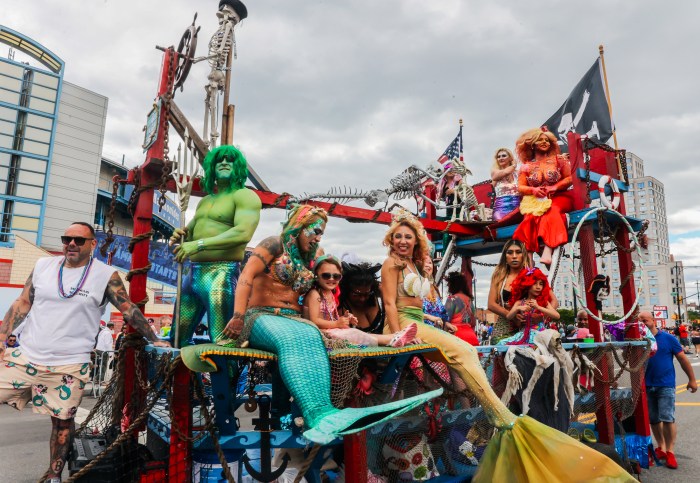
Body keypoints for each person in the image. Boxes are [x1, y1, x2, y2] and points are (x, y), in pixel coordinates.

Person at [379, 210, 634, 482]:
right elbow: (391, 304)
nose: (403, 241)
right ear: (391, 240)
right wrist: (399, 336)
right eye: (398, 236)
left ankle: (498, 414)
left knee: (470, 353)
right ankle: (497, 414)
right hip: (406, 325)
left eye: (409, 236)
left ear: (416, 240)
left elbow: (553, 308)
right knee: (467, 356)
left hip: (423, 323)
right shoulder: (391, 264)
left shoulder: (413, 266)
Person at [221, 205, 440, 444]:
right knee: (294, 337)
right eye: (314, 230)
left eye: (321, 233)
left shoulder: (312, 255)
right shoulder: (274, 244)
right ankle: (318, 414)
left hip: (294, 320)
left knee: (313, 336)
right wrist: (238, 315)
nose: (317, 237)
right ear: (299, 226)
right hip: (261, 316)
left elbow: (331, 274)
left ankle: (326, 412)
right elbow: (245, 277)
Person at [0, 222, 171, 483]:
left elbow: (127, 309)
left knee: (62, 423)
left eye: (79, 240)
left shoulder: (105, 275)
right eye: (66, 238)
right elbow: (23, 302)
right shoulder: (43, 267)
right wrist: (2, 337)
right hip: (26, 356)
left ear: (93, 244)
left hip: (69, 365)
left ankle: (54, 476)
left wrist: (154, 337)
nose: (71, 243)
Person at [169, 144, 262, 347]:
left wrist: (199, 245)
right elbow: (191, 233)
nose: (225, 163)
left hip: (221, 273)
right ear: (212, 166)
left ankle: (231, 379)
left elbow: (243, 232)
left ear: (238, 166)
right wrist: (181, 235)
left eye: (230, 159)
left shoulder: (244, 196)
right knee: (177, 338)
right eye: (220, 160)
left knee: (223, 342)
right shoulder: (205, 201)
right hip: (193, 273)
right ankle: (193, 380)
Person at [303, 254, 417, 347]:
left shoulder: (330, 294)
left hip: (331, 332)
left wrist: (347, 319)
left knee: (355, 333)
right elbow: (314, 320)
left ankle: (395, 338)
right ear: (316, 275)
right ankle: (391, 339)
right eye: (326, 275)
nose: (331, 279)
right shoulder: (315, 294)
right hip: (321, 334)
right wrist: (337, 323)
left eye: (336, 276)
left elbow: (331, 317)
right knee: (355, 334)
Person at [641, 311, 697, 469]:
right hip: (646, 385)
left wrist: (692, 380)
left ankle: (670, 451)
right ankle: (661, 447)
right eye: (640, 322)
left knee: (667, 418)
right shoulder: (639, 341)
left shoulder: (668, 338)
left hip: (665, 384)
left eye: (645, 320)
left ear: (653, 320)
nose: (643, 324)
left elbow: (682, 359)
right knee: (653, 419)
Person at [512, 127, 574, 265]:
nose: (545, 142)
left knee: (552, 212)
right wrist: (533, 190)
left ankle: (548, 249)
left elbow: (570, 178)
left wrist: (555, 186)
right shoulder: (526, 166)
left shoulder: (559, 160)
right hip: (537, 201)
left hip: (560, 197)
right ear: (532, 144)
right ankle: (528, 256)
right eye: (540, 139)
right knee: (528, 219)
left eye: (547, 140)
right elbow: (520, 187)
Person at [497, 267, 559, 345]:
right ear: (527, 285)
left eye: (541, 284)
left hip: (539, 335)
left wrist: (539, 307)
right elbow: (509, 317)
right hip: (523, 334)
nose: (538, 287)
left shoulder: (543, 302)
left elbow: (557, 316)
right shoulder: (519, 302)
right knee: (501, 343)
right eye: (534, 283)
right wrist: (517, 308)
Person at [338, 260, 385, 334]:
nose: (362, 299)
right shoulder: (341, 306)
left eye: (366, 294)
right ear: (347, 290)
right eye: (356, 295)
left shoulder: (380, 294)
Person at [444, 271, 479, 345]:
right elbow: (473, 322)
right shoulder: (470, 300)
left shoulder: (452, 299)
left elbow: (445, 320)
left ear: (453, 284)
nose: (448, 287)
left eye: (449, 284)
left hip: (457, 337)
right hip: (472, 337)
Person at [420, 255, 454, 332]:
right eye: (424, 262)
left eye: (430, 262)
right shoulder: (415, 285)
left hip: (437, 333)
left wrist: (447, 325)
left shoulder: (434, 289)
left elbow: (440, 317)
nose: (427, 265)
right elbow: (410, 313)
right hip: (423, 333)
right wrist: (429, 317)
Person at [490, 148, 521, 222]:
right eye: (498, 156)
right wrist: (514, 165)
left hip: (517, 209)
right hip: (500, 210)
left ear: (510, 158)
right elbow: (505, 172)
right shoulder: (495, 172)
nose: (500, 158)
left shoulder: (518, 173)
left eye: (503, 156)